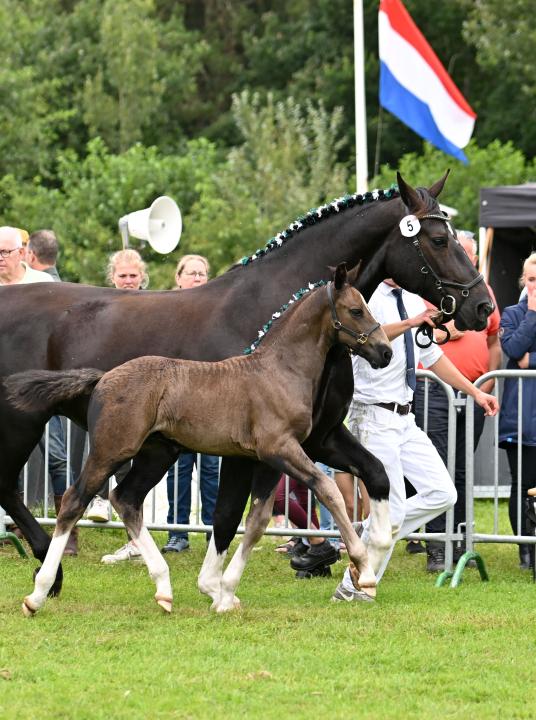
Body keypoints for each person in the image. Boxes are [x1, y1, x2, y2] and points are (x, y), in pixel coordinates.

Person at [331, 279, 499, 603]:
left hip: (406, 418)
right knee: (390, 514)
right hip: (374, 415)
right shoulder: (365, 296)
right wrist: (410, 322)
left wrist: (475, 391)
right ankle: (355, 588)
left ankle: (370, 536)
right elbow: (363, 339)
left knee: (442, 493)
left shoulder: (411, 299)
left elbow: (433, 356)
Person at [413, 230, 502, 571]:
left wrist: (490, 380)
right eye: (458, 255)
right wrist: (448, 331)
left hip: (475, 391)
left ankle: (461, 538)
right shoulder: (429, 288)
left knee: (463, 468)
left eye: (468, 255)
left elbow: (493, 340)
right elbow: (417, 332)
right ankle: (438, 545)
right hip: (435, 389)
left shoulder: (484, 290)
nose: (464, 261)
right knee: (438, 467)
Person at [0, 227, 78, 554]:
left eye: (5, 253)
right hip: (3, 386)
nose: (0, 259)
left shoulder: (43, 286)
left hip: (41, 386)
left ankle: (67, 532)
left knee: (57, 456)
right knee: (7, 459)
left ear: (23, 253)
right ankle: (16, 523)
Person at [85, 249, 149, 562]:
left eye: (132, 276)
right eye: (122, 276)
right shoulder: (103, 308)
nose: (127, 281)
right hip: (110, 391)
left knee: (131, 467)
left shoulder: (154, 308)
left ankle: (136, 540)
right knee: (105, 453)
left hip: (144, 397)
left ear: (142, 278)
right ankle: (100, 502)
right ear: (113, 277)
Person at [161, 255, 221, 553]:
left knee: (211, 471)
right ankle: (178, 533)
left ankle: (213, 532)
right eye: (193, 273)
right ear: (179, 278)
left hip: (209, 404)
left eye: (203, 273)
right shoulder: (169, 312)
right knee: (178, 470)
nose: (198, 278)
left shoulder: (216, 312)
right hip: (176, 403)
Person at [499, 252, 536, 570]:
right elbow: (512, 350)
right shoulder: (512, 314)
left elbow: (525, 357)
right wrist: (533, 315)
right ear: (524, 281)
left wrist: (531, 360)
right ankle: (525, 550)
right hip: (521, 418)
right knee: (521, 484)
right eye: (533, 280)